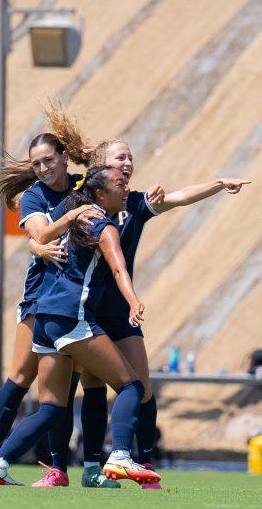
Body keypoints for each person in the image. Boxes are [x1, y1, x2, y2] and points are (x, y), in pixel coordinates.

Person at [47, 116, 249, 490]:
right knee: (84, 390)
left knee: (141, 386)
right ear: (100, 167)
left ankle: (142, 462)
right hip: (83, 308)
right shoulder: (81, 201)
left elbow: (181, 196)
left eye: (130, 158)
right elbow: (49, 200)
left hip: (119, 311)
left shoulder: (135, 203)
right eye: (120, 157)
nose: (128, 163)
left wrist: (219, 183)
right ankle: (80, 467)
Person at [0, 166, 159, 487]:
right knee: (132, 387)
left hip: (44, 318)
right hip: (71, 317)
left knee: (51, 407)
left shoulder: (72, 218)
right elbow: (119, 270)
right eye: (120, 184)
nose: (127, 188)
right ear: (100, 194)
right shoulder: (103, 226)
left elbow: (40, 238)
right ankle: (119, 456)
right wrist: (133, 301)